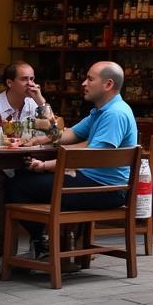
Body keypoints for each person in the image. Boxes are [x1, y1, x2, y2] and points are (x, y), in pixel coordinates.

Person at [9, 61, 138, 257]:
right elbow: (60, 135)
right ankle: (52, 245)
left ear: (108, 84)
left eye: (90, 79)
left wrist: (44, 166)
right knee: (25, 182)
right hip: (94, 184)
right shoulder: (100, 111)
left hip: (104, 190)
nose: (84, 83)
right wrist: (40, 103)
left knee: (17, 185)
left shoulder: (115, 114)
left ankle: (43, 245)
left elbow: (90, 158)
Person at [0, 61, 55, 228]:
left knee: (38, 182)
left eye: (32, 79)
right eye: (24, 79)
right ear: (9, 82)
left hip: (23, 164)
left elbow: (53, 131)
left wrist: (41, 101)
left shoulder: (34, 103)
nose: (31, 84)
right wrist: (1, 134)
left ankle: (38, 238)